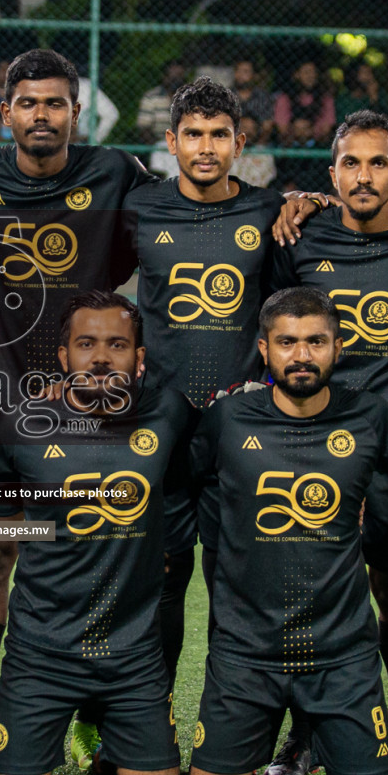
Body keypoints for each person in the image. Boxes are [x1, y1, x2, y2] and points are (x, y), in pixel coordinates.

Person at [186, 288, 388, 775]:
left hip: (342, 656)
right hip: (245, 655)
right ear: (265, 349)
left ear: (339, 346)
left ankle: (337, 749)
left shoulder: (371, 418)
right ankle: (275, 740)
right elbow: (174, 482)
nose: (301, 355)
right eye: (287, 342)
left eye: (315, 342)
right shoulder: (228, 418)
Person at [0, 48, 155, 727]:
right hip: (2, 406)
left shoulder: (115, 173)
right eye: (29, 103)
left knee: (94, 560)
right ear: (5, 112)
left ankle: (100, 722)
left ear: (76, 112)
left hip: (93, 413)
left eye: (56, 103)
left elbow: (182, 218)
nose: (42, 115)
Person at [266, 110, 388, 775]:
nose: (364, 175)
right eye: (351, 163)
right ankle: (305, 738)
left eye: (379, 163)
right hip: (311, 450)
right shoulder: (302, 233)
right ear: (332, 173)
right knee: (310, 595)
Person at [0, 291, 196, 775]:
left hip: (132, 655)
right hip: (40, 652)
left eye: (117, 344)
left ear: (139, 358)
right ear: (63, 357)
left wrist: (164, 540)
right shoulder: (18, 426)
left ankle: (106, 736)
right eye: (86, 344)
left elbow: (206, 481)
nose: (101, 357)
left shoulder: (169, 414)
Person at [121, 77, 285, 701]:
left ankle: (227, 721)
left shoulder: (269, 212)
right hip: (158, 426)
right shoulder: (140, 208)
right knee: (158, 580)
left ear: (240, 142)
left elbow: (295, 309)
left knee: (232, 583)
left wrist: (308, 202)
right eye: (194, 134)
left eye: (220, 135)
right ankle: (147, 720)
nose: (207, 147)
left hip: (237, 431)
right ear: (171, 142)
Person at [274, 61, 336, 144]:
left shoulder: (326, 98)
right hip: (290, 144)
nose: (310, 76)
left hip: (317, 144)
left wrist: (307, 130)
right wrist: (298, 129)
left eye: (313, 72)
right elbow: (282, 129)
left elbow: (326, 130)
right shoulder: (284, 98)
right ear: (297, 75)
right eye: (306, 72)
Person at [136, 60, 187, 143]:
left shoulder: (192, 97)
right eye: (172, 77)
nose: (176, 81)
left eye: (179, 77)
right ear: (164, 77)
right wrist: (160, 145)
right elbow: (144, 129)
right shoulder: (151, 97)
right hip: (160, 143)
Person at [230, 59, 276, 143]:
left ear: (254, 75)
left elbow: (267, 124)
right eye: (238, 71)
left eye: (245, 72)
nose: (241, 75)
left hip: (257, 141)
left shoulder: (262, 96)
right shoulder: (226, 95)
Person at [229, 115, 277, 189]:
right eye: (244, 128)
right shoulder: (228, 152)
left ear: (256, 131)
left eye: (251, 129)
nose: (248, 132)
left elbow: (268, 181)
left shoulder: (265, 154)